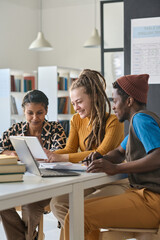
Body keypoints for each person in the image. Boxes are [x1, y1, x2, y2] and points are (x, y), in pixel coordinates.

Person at [64, 73, 160, 240]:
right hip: (141, 195)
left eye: (115, 101)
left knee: (77, 216)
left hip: (151, 200)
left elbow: (158, 157)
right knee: (78, 211)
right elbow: (119, 152)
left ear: (129, 101)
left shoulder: (140, 120)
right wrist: (102, 158)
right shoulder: (138, 123)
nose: (113, 106)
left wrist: (116, 168)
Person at [45, 69, 129, 240]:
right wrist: (48, 155)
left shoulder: (113, 122)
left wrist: (60, 157)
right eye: (73, 103)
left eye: (79, 102)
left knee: (82, 208)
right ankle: (83, 234)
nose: (76, 108)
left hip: (113, 181)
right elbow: (69, 149)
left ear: (94, 97)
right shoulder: (76, 120)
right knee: (58, 203)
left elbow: (100, 154)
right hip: (88, 180)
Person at [0, 89, 66, 240]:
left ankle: (30, 237)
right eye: (30, 113)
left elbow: (59, 156)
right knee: (2, 201)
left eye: (40, 112)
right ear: (23, 111)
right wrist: (8, 153)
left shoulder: (56, 129)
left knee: (30, 204)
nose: (35, 118)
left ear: (46, 110)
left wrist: (49, 157)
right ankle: (31, 237)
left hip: (48, 184)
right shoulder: (16, 129)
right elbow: (0, 148)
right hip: (22, 182)